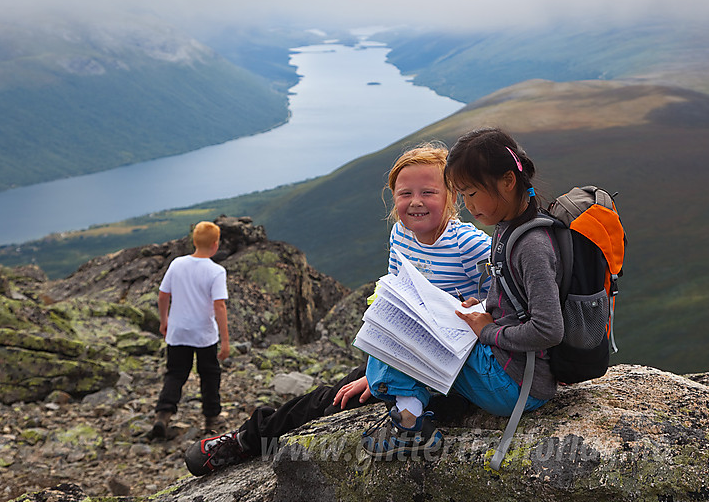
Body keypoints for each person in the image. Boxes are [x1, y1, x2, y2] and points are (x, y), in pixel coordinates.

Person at [184, 142, 492, 475]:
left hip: (455, 363)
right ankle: (246, 439)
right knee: (334, 397)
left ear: (453, 196)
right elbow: (397, 304)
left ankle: (247, 440)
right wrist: (377, 371)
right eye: (405, 194)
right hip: (408, 354)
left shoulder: (470, 245)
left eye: (429, 191)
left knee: (347, 397)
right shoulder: (400, 235)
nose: (415, 202)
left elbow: (506, 302)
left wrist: (479, 310)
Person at [361, 127, 563, 460]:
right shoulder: (511, 231)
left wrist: (487, 330)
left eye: (470, 193)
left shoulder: (528, 245)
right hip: (511, 372)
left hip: (512, 384)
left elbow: (549, 329)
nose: (467, 205)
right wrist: (483, 308)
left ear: (508, 182)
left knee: (398, 334)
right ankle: (408, 405)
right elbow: (510, 301)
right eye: (463, 194)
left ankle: (410, 427)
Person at [149, 220, 230, 440]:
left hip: (178, 332)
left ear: (194, 242)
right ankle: (211, 421)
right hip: (204, 334)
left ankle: (163, 415)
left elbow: (163, 294)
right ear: (215, 244)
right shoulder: (216, 271)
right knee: (209, 375)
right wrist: (225, 341)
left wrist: (164, 321)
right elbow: (219, 306)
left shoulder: (177, 264)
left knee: (175, 374)